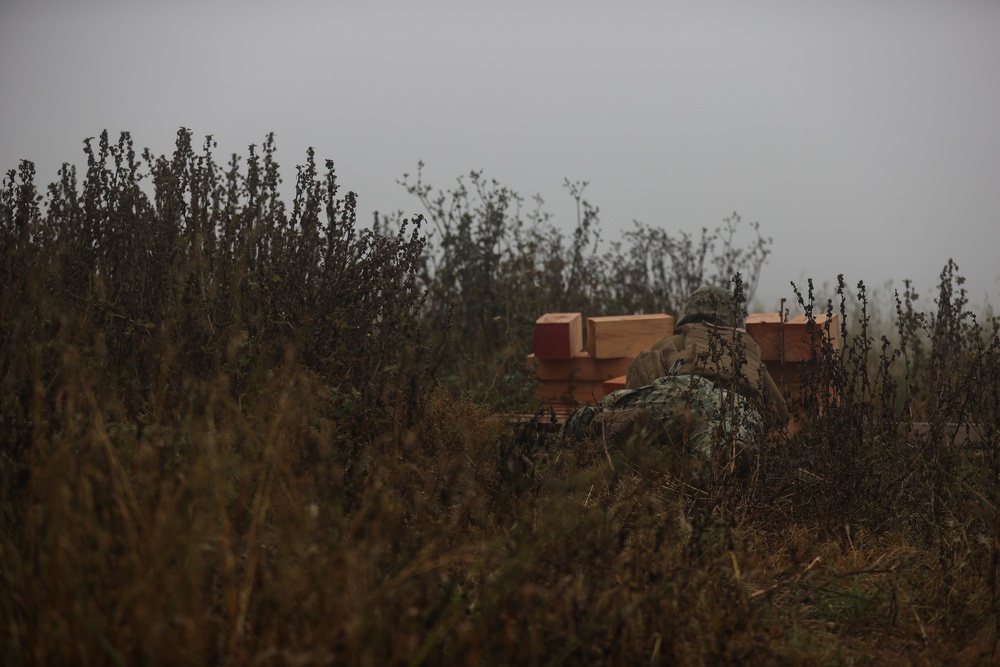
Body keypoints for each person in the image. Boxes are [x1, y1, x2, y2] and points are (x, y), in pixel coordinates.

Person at [563, 286, 788, 486]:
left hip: (678, 391)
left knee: (612, 408)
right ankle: (716, 458)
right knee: (720, 445)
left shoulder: (673, 342)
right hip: (732, 406)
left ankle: (593, 420)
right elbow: (780, 413)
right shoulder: (749, 352)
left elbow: (641, 375)